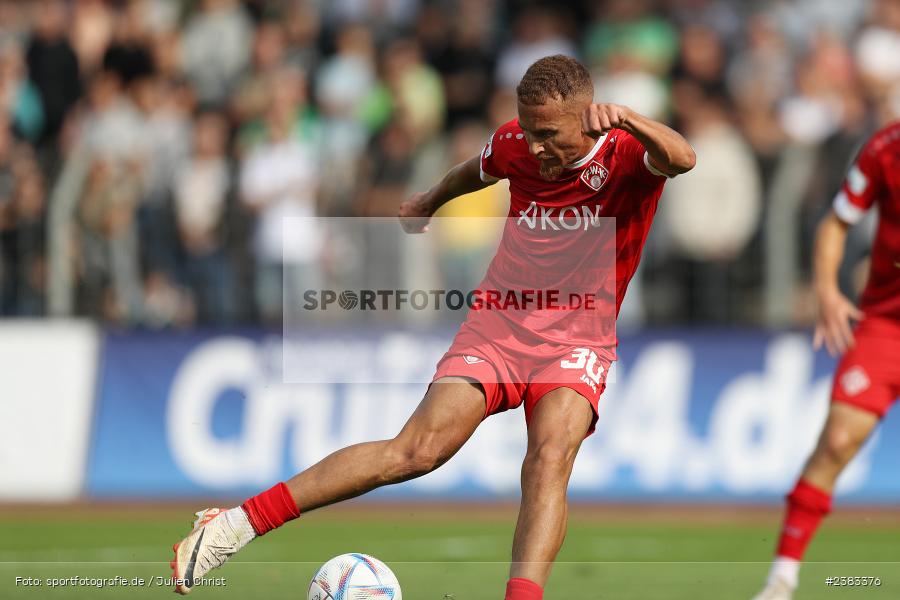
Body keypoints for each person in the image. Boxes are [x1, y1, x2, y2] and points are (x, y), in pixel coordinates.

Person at [169, 55, 696, 598]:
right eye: (528, 130)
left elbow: (683, 157)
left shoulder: (629, 153)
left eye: (548, 134)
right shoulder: (516, 142)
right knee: (417, 451)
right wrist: (429, 201)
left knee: (549, 456)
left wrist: (629, 118)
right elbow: (477, 169)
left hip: (578, 337)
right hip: (499, 324)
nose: (535, 146)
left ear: (588, 117)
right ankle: (233, 526)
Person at [751, 121, 900, 600]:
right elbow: (837, 221)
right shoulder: (883, 147)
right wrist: (827, 290)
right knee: (836, 440)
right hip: (886, 324)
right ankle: (782, 580)